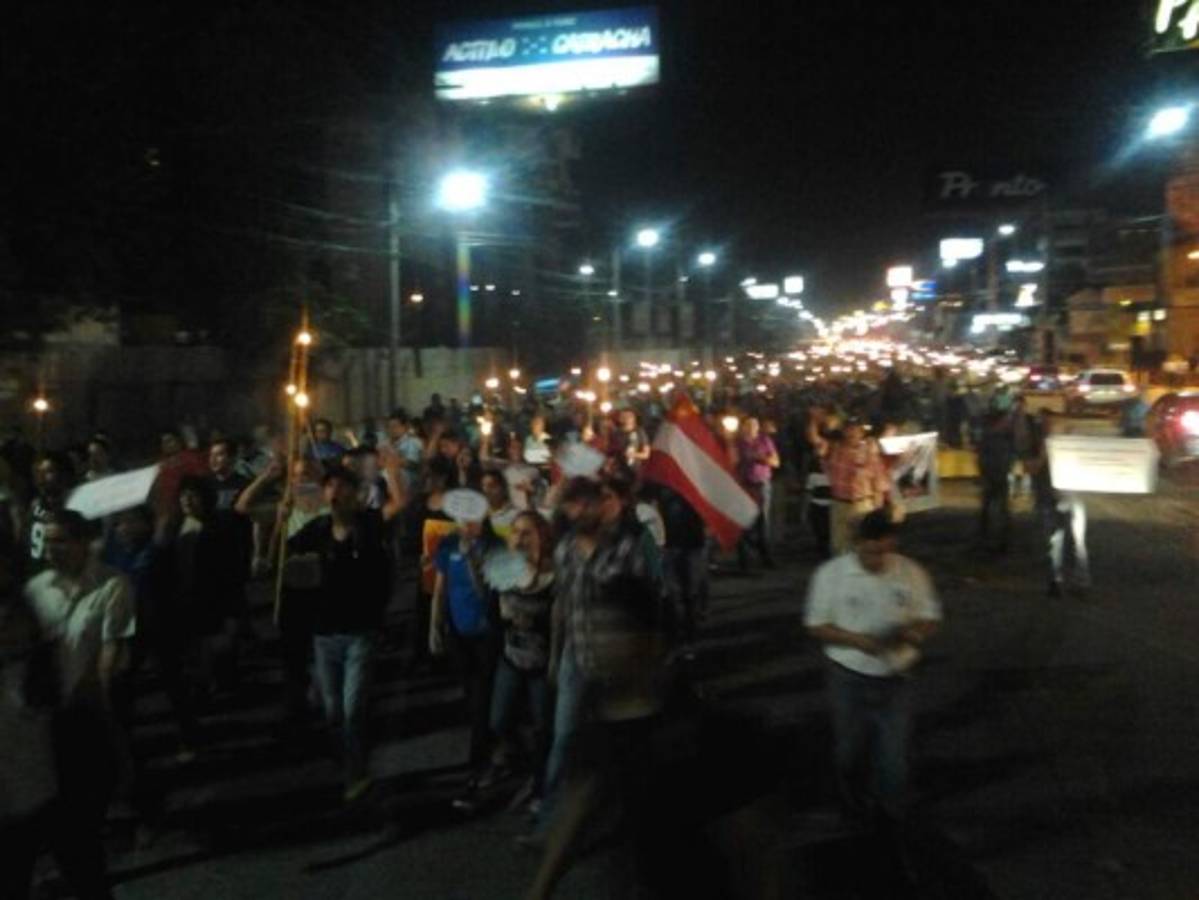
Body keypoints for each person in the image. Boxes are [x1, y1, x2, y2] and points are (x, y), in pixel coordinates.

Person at [525, 472, 673, 899]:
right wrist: (558, 655)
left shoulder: (630, 547)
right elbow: (564, 605)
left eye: (583, 503)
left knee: (625, 778)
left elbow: (654, 608)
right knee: (567, 742)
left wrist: (653, 661)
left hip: (626, 679)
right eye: (569, 505)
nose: (574, 512)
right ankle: (550, 831)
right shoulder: (569, 550)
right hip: (580, 663)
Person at [804, 511, 940, 829]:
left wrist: (914, 634)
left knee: (894, 754)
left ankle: (889, 815)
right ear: (857, 545)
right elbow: (816, 625)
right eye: (871, 552)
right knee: (850, 749)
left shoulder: (910, 572)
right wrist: (854, 640)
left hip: (897, 676)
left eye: (885, 551)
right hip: (848, 675)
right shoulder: (831, 575)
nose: (878, 559)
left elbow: (929, 615)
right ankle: (851, 807)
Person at [23, 511, 135, 898]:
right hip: (41, 723)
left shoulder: (111, 584)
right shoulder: (35, 590)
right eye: (47, 541)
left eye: (61, 541)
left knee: (82, 823)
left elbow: (111, 650)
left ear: (83, 542)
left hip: (88, 717)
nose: (52, 550)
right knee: (59, 824)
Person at [285, 452, 405, 802]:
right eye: (330, 486)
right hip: (324, 634)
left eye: (342, 486)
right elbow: (285, 554)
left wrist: (392, 471)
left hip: (360, 633)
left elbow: (399, 504)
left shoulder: (368, 523)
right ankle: (346, 758)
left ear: (354, 494)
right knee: (333, 710)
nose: (335, 492)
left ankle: (356, 771)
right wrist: (279, 519)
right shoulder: (317, 529)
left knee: (353, 709)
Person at [429, 491, 502, 809]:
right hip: (459, 633)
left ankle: (479, 767)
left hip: (488, 634)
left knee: (482, 699)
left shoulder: (496, 546)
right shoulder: (448, 546)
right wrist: (435, 625)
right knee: (473, 696)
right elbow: (441, 587)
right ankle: (498, 747)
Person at [486, 511, 556, 813]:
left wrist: (535, 622)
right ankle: (516, 760)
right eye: (515, 532)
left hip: (543, 663)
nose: (520, 537)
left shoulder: (555, 574)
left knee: (543, 727)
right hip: (511, 658)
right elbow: (491, 608)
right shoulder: (504, 569)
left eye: (527, 532)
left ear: (541, 535)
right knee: (498, 720)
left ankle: (540, 784)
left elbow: (563, 621)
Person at [1026, 411, 1090, 596]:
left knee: (1068, 541)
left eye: (1051, 422)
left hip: (1063, 497)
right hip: (1060, 497)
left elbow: (1036, 466)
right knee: (1064, 541)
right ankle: (1067, 581)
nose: (1049, 425)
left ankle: (1070, 581)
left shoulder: (1059, 443)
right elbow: (1032, 467)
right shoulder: (1041, 444)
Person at [814, 417, 890, 556]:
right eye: (848, 430)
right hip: (839, 505)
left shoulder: (869, 453)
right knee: (839, 548)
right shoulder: (834, 450)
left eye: (855, 430)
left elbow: (878, 483)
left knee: (863, 546)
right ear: (843, 432)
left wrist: (877, 512)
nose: (851, 434)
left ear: (861, 433)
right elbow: (817, 443)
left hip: (862, 505)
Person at [737, 416, 781, 570]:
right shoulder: (737, 443)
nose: (750, 428)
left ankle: (765, 556)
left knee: (762, 522)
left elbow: (776, 462)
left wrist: (759, 457)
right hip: (743, 485)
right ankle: (746, 560)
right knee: (744, 522)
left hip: (761, 484)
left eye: (753, 425)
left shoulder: (764, 441)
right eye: (747, 425)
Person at [976, 408, 1015, 552]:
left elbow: (981, 459)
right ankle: (998, 538)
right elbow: (987, 459)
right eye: (1005, 420)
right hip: (995, 477)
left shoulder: (990, 436)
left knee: (989, 507)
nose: (1008, 422)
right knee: (998, 508)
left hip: (994, 476)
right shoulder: (995, 438)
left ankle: (988, 535)